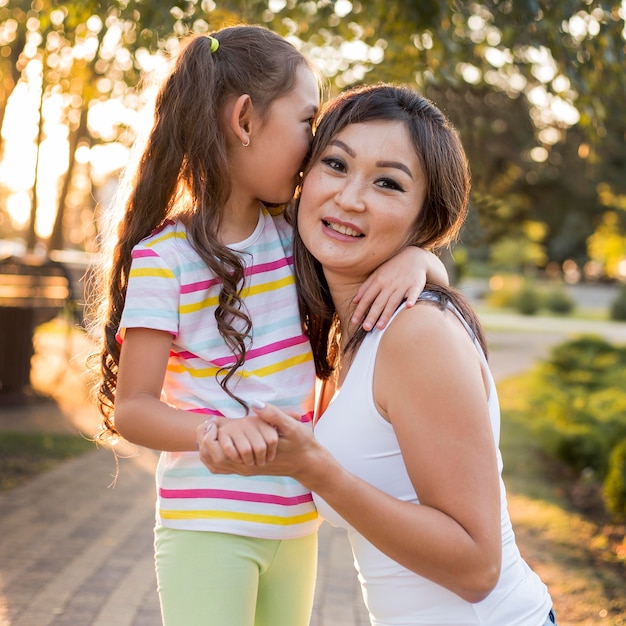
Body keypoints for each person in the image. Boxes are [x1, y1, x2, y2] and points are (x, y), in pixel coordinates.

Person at [91, 25, 449, 626]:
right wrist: (215, 432)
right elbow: (133, 410)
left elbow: (379, 275)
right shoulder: (164, 259)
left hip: (295, 520)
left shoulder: (296, 242)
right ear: (245, 120)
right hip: (209, 524)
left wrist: (421, 258)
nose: (316, 148)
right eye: (308, 122)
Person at [198, 83, 557, 626]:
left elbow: (477, 568)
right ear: (303, 181)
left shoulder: (416, 336)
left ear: (425, 219)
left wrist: (317, 469)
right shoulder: (351, 331)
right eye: (336, 165)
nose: (350, 197)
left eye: (388, 183)